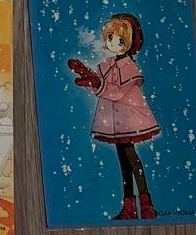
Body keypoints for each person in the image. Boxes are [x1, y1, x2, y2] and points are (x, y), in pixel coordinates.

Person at [68, 12, 159, 219]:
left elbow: (116, 93)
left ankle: (146, 205)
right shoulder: (107, 65)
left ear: (130, 43)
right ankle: (129, 208)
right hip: (114, 122)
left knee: (132, 160)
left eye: (120, 40)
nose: (113, 43)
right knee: (124, 163)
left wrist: (97, 84)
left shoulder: (129, 67)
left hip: (129, 120)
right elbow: (102, 88)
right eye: (110, 37)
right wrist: (90, 80)